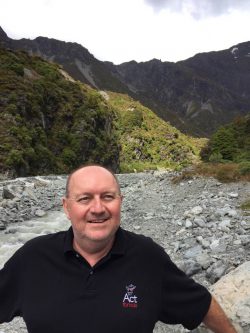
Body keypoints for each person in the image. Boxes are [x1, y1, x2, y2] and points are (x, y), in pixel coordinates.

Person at [0, 164, 237, 333]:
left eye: (107, 197)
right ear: (66, 207)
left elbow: (200, 304)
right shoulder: (33, 258)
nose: (98, 208)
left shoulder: (147, 257)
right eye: (84, 199)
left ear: (120, 201)